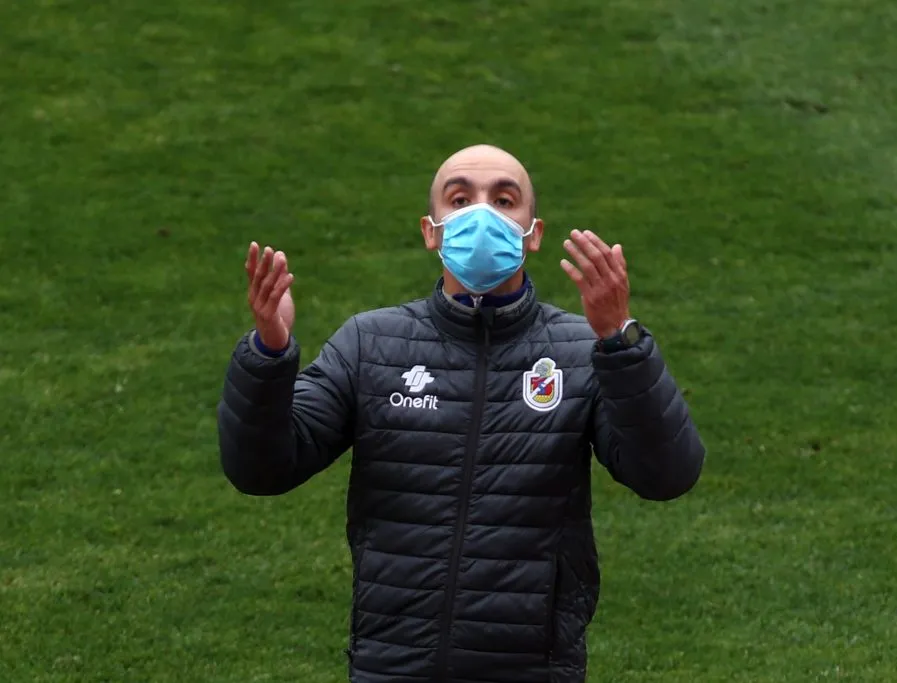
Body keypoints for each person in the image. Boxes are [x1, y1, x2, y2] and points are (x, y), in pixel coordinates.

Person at [217, 144, 706, 683]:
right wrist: (268, 354)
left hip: (532, 668)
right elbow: (261, 470)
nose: (481, 213)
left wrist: (620, 341)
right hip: (391, 665)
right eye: (460, 198)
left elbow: (667, 476)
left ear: (533, 233)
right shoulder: (370, 343)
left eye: (503, 199)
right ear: (432, 231)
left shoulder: (578, 351)